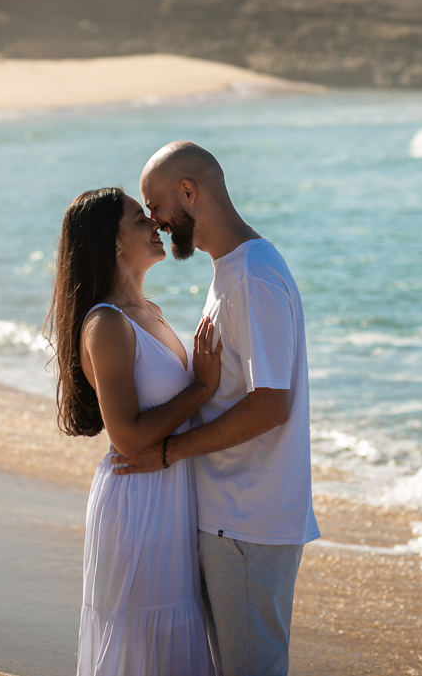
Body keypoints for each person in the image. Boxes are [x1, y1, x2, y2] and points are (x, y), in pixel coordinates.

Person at [112, 142, 320, 676]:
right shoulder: (231, 271)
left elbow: (272, 405)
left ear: (189, 192)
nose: (154, 221)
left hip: (248, 519)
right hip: (233, 517)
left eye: (155, 205)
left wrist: (169, 452)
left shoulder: (251, 274)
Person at [46, 186, 221, 676]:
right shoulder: (105, 324)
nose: (156, 225)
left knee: (170, 639)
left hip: (168, 494)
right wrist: (202, 387)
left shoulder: (153, 312)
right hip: (136, 503)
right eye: (140, 220)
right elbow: (126, 435)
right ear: (115, 243)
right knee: (142, 642)